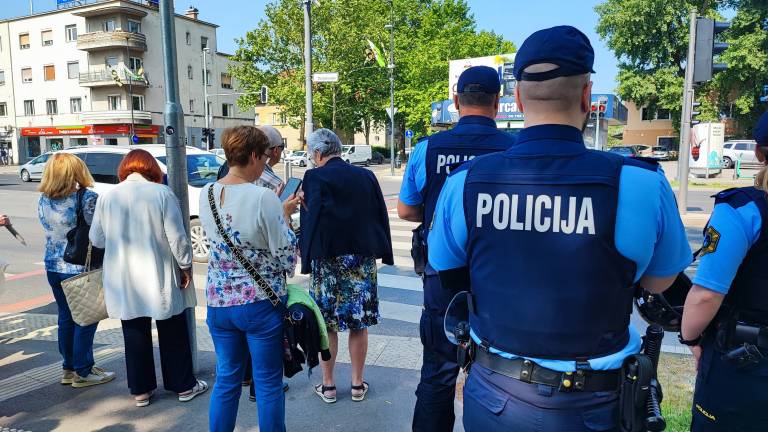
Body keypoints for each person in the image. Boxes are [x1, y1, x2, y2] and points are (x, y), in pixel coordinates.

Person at [428, 26, 692, 431]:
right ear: (587, 95)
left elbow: (449, 272)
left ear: (518, 99)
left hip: (495, 398)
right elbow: (659, 283)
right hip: (595, 405)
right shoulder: (641, 182)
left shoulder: (466, 182)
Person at [397, 65, 515, 431]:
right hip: (499, 277)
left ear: (455, 101)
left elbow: (406, 211)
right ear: (498, 102)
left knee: (438, 372)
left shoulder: (427, 149)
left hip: (442, 278)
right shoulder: (515, 148)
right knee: (501, 374)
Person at [200, 126, 300, 432]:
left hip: (219, 302)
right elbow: (285, 255)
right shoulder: (263, 197)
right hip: (259, 302)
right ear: (255, 155)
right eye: (266, 158)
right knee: (268, 382)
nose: (265, 164)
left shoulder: (207, 192)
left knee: (227, 379)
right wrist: (285, 216)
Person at [89, 149, 207, 407]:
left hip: (123, 278)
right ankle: (183, 386)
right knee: (172, 329)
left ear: (125, 169)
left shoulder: (107, 197)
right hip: (157, 272)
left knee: (134, 333)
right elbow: (177, 237)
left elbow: (96, 239)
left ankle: (141, 391)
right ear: (152, 169)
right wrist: (185, 266)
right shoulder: (162, 194)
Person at [681, 110, 768, 431]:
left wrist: (691, 338)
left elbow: (706, 295)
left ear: (758, 153)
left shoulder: (742, 211)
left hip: (746, 371)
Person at [300, 128, 393, 403]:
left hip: (327, 260)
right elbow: (380, 213)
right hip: (360, 259)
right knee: (358, 323)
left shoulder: (314, 176)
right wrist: (385, 251)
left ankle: (328, 386)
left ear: (318, 153)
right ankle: (356, 384)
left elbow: (311, 219)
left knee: (326, 324)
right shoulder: (366, 175)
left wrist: (305, 258)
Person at [37, 153, 115, 388]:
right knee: (86, 318)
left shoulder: (43, 198)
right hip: (79, 266)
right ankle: (83, 371)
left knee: (66, 317)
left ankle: (69, 368)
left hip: (53, 265)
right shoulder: (87, 198)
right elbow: (99, 232)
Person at [216, 125, 287, 195]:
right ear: (254, 156)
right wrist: (276, 202)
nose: (265, 161)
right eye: (265, 155)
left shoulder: (210, 189)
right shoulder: (266, 194)